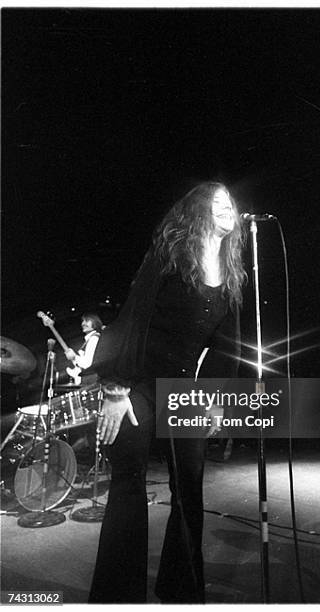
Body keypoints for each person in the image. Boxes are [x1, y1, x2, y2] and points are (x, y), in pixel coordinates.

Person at [88, 181, 246, 603]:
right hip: (138, 382)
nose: (227, 209)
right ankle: (117, 598)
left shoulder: (231, 273)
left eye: (230, 203)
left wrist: (213, 399)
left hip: (184, 389)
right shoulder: (169, 257)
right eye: (217, 203)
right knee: (128, 483)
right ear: (197, 211)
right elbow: (132, 318)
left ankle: (181, 590)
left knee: (189, 487)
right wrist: (116, 389)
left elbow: (226, 346)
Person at [64, 313, 103, 384]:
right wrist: (73, 358)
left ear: (95, 322)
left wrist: (74, 357)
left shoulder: (94, 339)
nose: (83, 323)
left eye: (87, 321)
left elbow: (87, 364)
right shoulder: (90, 339)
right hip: (88, 378)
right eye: (83, 321)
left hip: (90, 379)